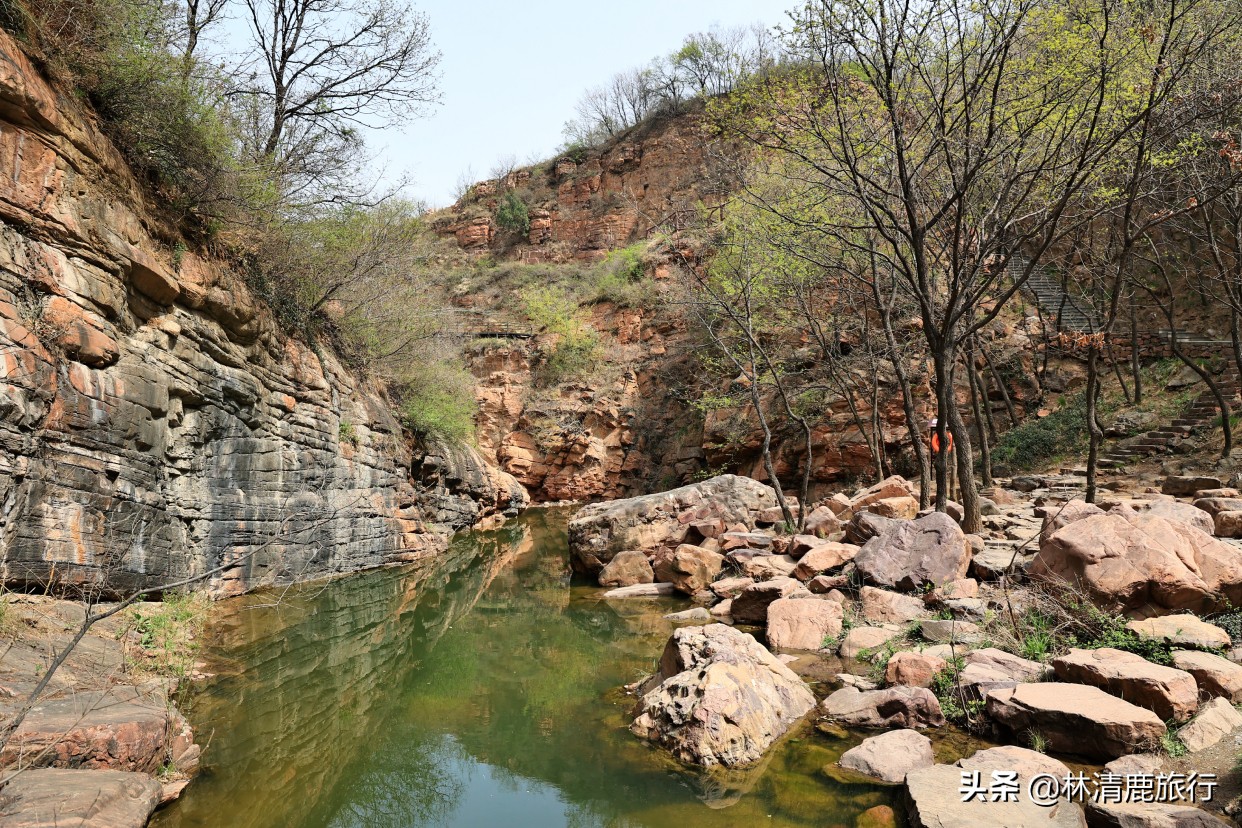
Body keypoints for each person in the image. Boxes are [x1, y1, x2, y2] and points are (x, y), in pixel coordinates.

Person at [928, 417, 957, 501]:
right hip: (939, 450)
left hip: (943, 450)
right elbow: (935, 441)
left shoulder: (947, 436)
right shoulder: (937, 437)